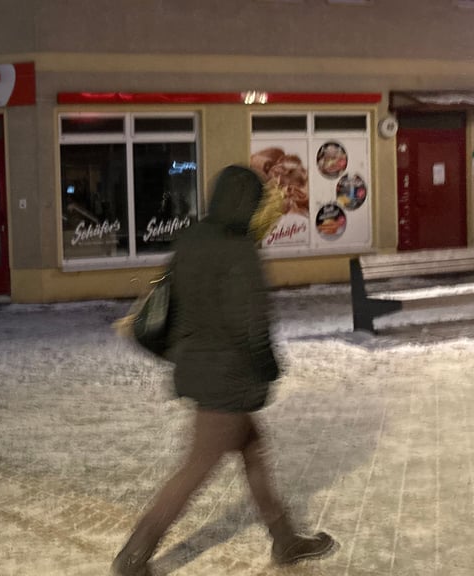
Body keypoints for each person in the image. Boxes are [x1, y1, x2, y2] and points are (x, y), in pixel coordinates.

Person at [111, 165, 335, 576]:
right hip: (228, 378)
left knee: (253, 452)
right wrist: (268, 368)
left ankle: (284, 539)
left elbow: (177, 305)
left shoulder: (193, 239)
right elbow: (252, 323)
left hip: (200, 368)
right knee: (196, 468)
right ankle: (133, 555)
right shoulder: (240, 250)